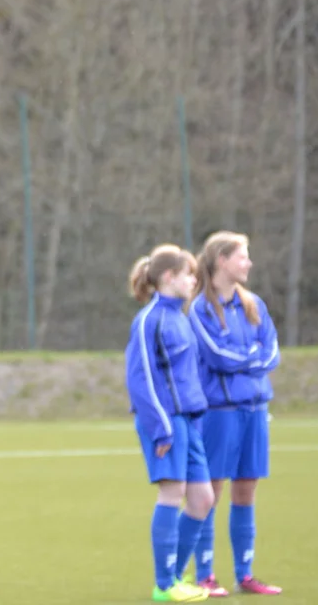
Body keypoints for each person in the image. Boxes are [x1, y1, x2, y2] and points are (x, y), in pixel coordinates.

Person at [186, 231, 282, 596]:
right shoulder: (200, 309)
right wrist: (252, 359)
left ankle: (245, 574)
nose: (249, 263)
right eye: (243, 256)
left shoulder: (254, 303)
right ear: (222, 261)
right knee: (210, 492)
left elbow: (272, 352)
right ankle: (205, 575)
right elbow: (218, 357)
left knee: (246, 491)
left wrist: (249, 360)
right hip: (219, 413)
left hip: (255, 410)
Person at [125, 244, 214, 603]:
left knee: (203, 499)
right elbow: (140, 379)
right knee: (172, 494)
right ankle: (164, 584)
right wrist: (162, 427)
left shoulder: (182, 317)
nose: (194, 280)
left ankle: (175, 576)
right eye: (189, 274)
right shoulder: (149, 319)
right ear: (168, 277)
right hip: (166, 423)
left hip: (188, 423)